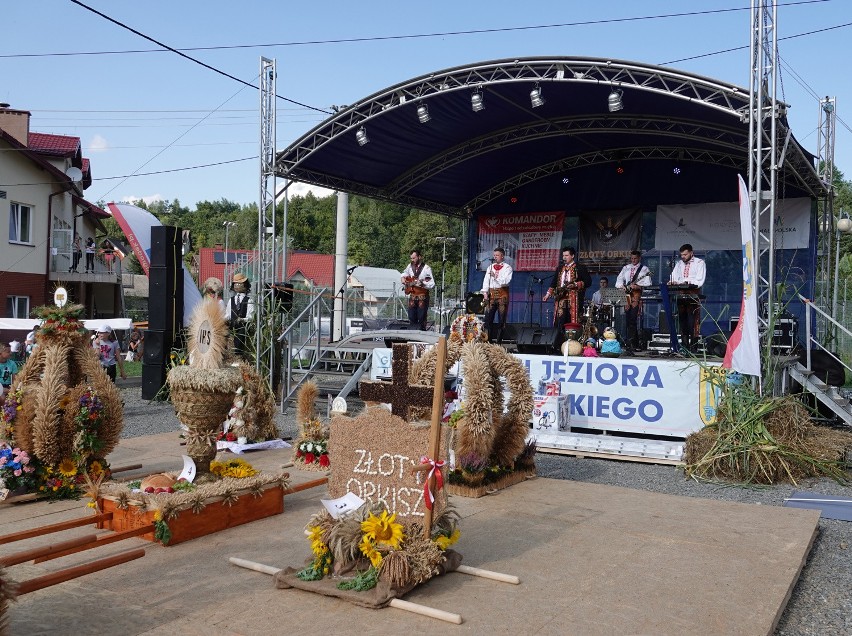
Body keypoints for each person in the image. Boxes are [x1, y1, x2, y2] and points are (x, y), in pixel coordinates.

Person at [669, 243, 706, 350]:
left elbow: (699, 280)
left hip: (693, 293)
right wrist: (672, 282)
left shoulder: (699, 263)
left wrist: (685, 281)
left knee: (692, 320)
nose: (683, 257)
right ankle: (684, 345)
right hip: (681, 293)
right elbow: (673, 276)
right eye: (682, 255)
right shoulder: (679, 264)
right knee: (682, 319)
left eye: (685, 255)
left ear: (691, 253)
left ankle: (693, 346)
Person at [544, 247, 592, 328]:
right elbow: (554, 282)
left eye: (566, 255)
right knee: (560, 321)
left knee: (572, 322)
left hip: (574, 299)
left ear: (572, 256)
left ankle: (573, 339)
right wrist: (548, 294)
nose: (564, 258)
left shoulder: (580, 268)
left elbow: (588, 282)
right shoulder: (560, 268)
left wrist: (575, 285)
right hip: (561, 299)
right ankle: (559, 338)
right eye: (563, 256)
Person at [615, 250, 653, 351]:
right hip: (626, 294)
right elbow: (618, 280)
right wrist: (621, 286)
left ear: (639, 258)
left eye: (635, 258)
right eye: (631, 258)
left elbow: (648, 283)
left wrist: (638, 286)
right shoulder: (626, 268)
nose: (633, 260)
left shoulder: (644, 269)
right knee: (628, 319)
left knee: (633, 318)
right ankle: (632, 342)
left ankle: (633, 342)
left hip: (636, 295)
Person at [480, 247, 513, 343]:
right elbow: (486, 281)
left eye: (497, 255)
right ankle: (488, 341)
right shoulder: (490, 267)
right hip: (491, 295)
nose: (495, 257)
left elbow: (506, 282)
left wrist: (495, 276)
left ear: (502, 256)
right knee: (488, 319)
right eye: (494, 255)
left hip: (502, 295)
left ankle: (498, 343)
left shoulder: (507, 268)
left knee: (501, 320)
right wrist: (485, 293)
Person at [401, 250, 435, 331]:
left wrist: (423, 284)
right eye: (411, 258)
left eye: (414, 258)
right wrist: (402, 278)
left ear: (419, 257)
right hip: (412, 296)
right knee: (411, 317)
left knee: (421, 317)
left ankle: (421, 334)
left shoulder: (427, 268)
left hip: (422, 297)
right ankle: (412, 334)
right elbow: (404, 273)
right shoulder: (410, 266)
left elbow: (432, 283)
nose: (412, 260)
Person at [226, 273, 254, 355]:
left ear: (245, 285)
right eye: (235, 283)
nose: (237, 285)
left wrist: (242, 319)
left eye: (239, 283)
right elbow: (227, 314)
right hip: (232, 326)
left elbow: (251, 317)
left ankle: (239, 356)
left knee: (240, 337)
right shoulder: (231, 300)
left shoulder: (249, 301)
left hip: (243, 327)